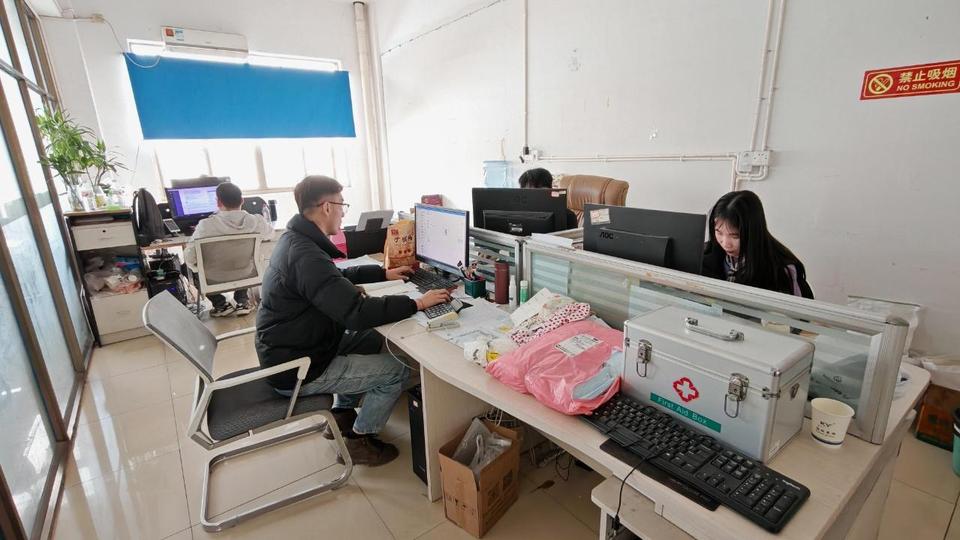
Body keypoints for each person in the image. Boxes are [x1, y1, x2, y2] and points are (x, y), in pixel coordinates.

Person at [255, 175, 452, 466]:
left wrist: (382, 273)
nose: (343, 213)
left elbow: (335, 278)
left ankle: (342, 414)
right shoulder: (305, 254)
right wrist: (418, 303)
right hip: (299, 368)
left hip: (295, 347)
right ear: (326, 207)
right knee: (397, 371)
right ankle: (360, 440)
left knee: (371, 339)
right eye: (342, 205)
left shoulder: (296, 241)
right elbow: (356, 313)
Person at [702, 190, 813, 298]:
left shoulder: (779, 270)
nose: (726, 243)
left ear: (753, 232)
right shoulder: (706, 254)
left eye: (735, 236)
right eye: (719, 232)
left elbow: (790, 309)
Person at [184, 182, 273, 317]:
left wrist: (196, 267)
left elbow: (190, 258)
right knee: (244, 260)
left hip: (213, 277)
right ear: (242, 200)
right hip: (246, 273)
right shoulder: (257, 221)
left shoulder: (205, 225)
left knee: (187, 267)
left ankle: (220, 305)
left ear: (218, 202)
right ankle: (242, 301)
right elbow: (270, 234)